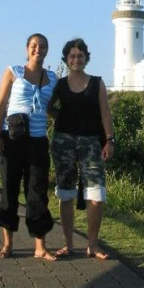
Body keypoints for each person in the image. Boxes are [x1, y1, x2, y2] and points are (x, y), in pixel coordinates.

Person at [0, 33, 58, 261]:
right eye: (33, 46)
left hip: (38, 142)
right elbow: (1, 104)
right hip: (12, 139)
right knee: (9, 191)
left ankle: (40, 247)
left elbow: (50, 108)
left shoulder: (52, 77)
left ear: (47, 50)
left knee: (38, 193)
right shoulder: (13, 71)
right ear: (26, 49)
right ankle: (7, 244)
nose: (37, 50)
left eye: (42, 47)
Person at [49, 38, 114, 259]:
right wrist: (61, 117)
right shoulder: (59, 85)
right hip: (63, 142)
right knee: (66, 193)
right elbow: (48, 107)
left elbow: (105, 114)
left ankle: (92, 245)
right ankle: (69, 244)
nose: (76, 59)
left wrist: (109, 140)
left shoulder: (97, 83)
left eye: (80, 55)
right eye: (72, 56)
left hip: (91, 142)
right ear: (66, 59)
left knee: (96, 195)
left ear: (86, 58)